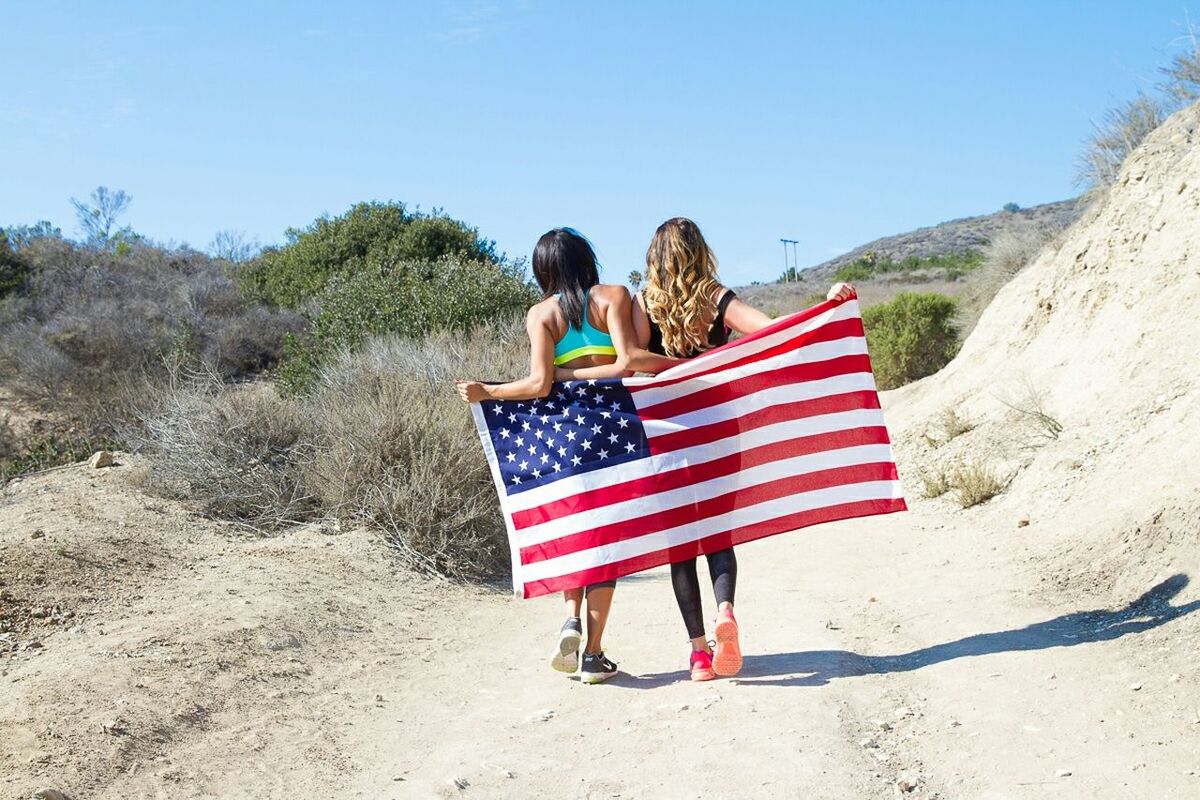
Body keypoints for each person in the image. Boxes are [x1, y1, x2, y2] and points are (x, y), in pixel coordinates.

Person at [561, 216, 853, 682]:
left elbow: (630, 365)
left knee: (681, 545)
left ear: (654, 256)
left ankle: (699, 653)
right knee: (718, 530)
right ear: (699, 250)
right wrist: (825, 307)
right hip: (718, 425)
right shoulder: (714, 296)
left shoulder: (642, 305)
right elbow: (770, 331)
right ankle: (726, 611)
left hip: (667, 432)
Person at [455, 227, 676, 684]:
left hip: (565, 434)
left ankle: (571, 618)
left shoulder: (540, 314)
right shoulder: (613, 295)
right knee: (607, 543)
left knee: (577, 534)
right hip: (615, 430)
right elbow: (628, 360)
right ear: (586, 259)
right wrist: (683, 367)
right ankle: (593, 655)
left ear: (544, 269)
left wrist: (490, 390)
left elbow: (538, 385)